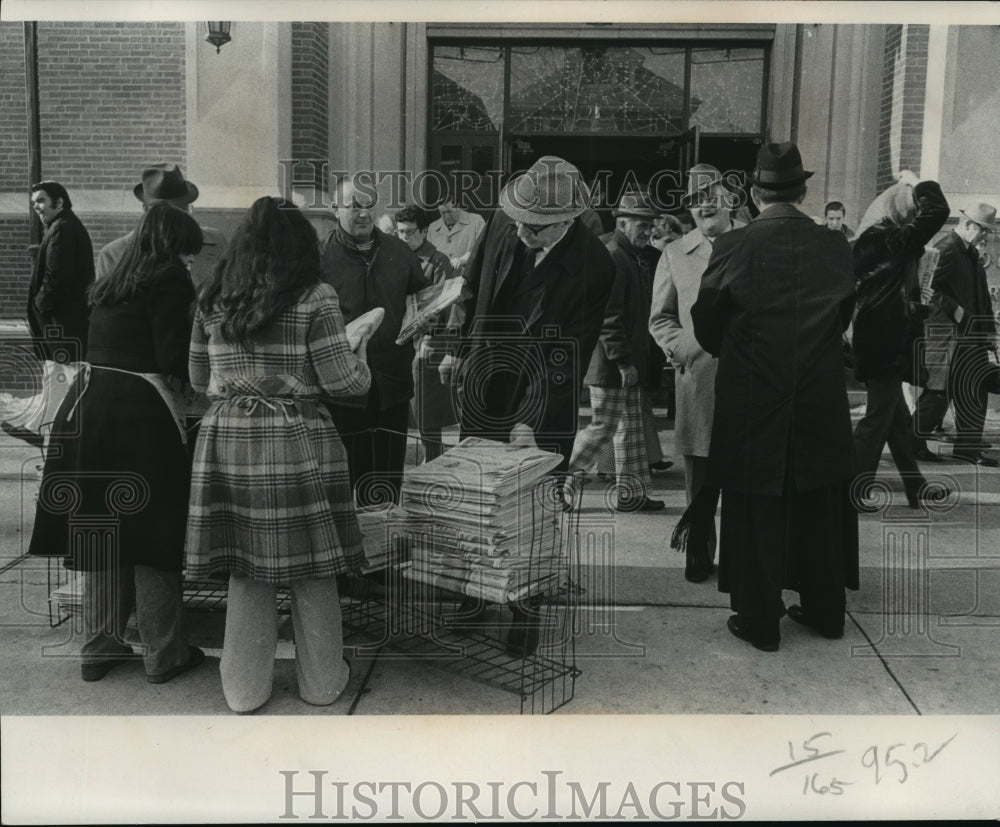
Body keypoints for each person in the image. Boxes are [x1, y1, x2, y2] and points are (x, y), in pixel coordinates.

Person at [185, 197, 372, 713]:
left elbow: (200, 381)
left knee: (246, 569)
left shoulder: (211, 298)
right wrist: (362, 352)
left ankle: (243, 690)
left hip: (226, 437)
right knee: (312, 568)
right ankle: (321, 682)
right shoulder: (317, 296)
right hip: (294, 436)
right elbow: (345, 382)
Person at [690, 142, 858, 652]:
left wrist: (743, 354)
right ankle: (827, 610)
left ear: (755, 194)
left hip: (753, 396)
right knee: (819, 501)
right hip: (819, 397)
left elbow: (706, 322)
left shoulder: (734, 247)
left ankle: (760, 619)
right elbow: (842, 318)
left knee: (756, 504)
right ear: (803, 191)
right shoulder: (835, 245)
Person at [28, 204, 205, 684]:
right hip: (141, 410)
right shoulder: (169, 281)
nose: (191, 262)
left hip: (87, 405)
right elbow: (174, 359)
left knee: (103, 533)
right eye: (188, 253)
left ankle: (98, 646)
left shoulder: (113, 281)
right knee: (153, 535)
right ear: (173, 246)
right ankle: (164, 654)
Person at [439, 155, 616, 471]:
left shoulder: (596, 266)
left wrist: (529, 419)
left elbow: (569, 354)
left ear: (566, 221)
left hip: (543, 394)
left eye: (533, 226)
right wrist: (455, 349)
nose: (520, 230)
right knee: (478, 482)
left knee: (532, 501)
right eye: (517, 219)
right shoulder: (504, 219)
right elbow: (470, 286)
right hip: (485, 375)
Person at [650, 164, 743, 581]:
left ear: (731, 199)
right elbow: (661, 318)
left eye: (712, 194)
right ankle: (699, 549)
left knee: (743, 474)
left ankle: (740, 559)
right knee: (700, 471)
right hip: (698, 378)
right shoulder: (676, 252)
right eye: (694, 199)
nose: (704, 204)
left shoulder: (752, 243)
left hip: (749, 377)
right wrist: (681, 349)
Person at [320, 177, 429, 505]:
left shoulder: (398, 250)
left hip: (390, 384)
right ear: (335, 209)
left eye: (369, 205)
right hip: (341, 387)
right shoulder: (320, 255)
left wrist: (428, 313)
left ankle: (383, 545)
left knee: (385, 481)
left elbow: (420, 295)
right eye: (354, 206)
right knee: (341, 480)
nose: (363, 214)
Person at [850, 172, 950, 507]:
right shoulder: (889, 238)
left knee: (894, 419)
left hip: (877, 337)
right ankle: (852, 489)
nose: (912, 221)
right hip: (888, 341)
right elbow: (937, 211)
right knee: (878, 418)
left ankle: (915, 484)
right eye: (909, 213)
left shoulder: (872, 238)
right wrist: (920, 182)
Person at [565, 192, 665, 512]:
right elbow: (609, 316)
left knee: (629, 429)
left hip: (620, 361)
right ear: (622, 222)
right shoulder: (614, 255)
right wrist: (623, 360)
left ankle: (631, 494)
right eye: (642, 224)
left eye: (651, 225)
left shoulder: (625, 254)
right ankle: (559, 483)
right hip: (612, 363)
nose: (648, 231)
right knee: (603, 428)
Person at [3, 182, 94, 448]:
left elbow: (57, 276)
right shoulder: (64, 227)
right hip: (64, 322)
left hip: (61, 322)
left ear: (60, 203)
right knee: (56, 376)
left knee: (62, 377)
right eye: (34, 203)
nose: (37, 208)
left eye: (41, 201)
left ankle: (51, 434)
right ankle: (40, 429)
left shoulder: (63, 230)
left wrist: (41, 305)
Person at [912, 203, 999, 466]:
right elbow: (929, 288)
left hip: (970, 335)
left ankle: (967, 449)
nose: (986, 237)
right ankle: (911, 443)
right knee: (939, 394)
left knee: (974, 390)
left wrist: (989, 333)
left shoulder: (970, 252)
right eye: (983, 231)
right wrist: (958, 311)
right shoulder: (947, 248)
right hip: (948, 335)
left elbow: (981, 297)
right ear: (969, 225)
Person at [96, 164, 227, 291]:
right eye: (166, 213)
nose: (176, 221)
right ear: (146, 210)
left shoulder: (215, 241)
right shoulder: (113, 254)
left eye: (182, 209)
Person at [395, 205, 456, 461]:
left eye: (410, 232)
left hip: (427, 339)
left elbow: (445, 304)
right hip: (398, 339)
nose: (404, 238)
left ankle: (432, 456)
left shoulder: (438, 260)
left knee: (425, 407)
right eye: (400, 232)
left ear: (424, 231)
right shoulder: (394, 256)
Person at [427, 196, 486, 274]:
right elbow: (428, 255)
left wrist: (462, 260)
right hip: (441, 278)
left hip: (468, 276)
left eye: (449, 212)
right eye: (443, 213)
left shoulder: (476, 221)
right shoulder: (433, 227)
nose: (447, 216)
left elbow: (483, 249)